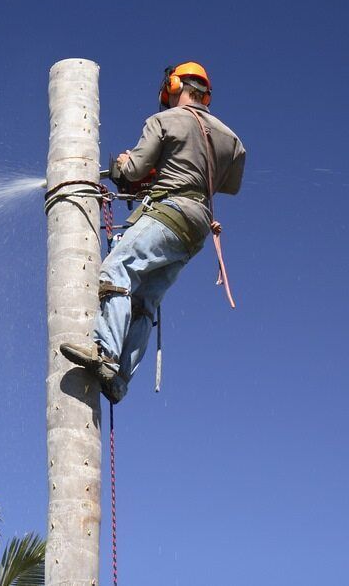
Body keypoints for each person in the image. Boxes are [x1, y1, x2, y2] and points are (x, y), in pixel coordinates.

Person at [60, 62, 246, 403]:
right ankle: (119, 382)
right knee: (145, 302)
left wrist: (123, 165)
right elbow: (227, 185)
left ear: (176, 86)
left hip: (168, 213)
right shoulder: (231, 140)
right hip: (196, 228)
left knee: (116, 271)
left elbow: (133, 171)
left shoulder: (163, 121)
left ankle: (106, 354)